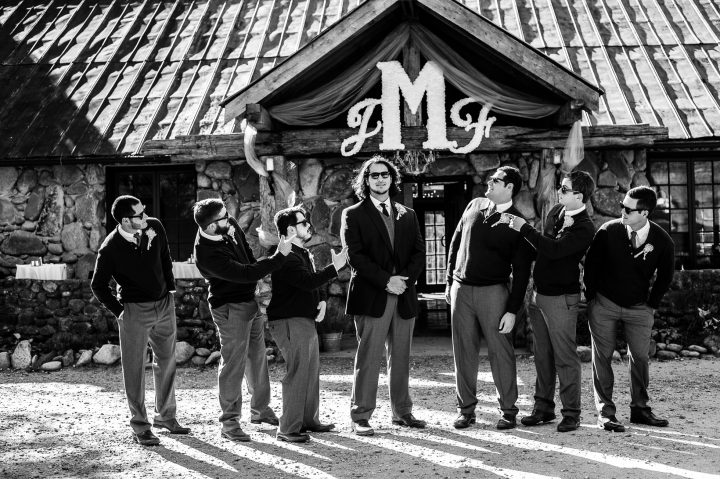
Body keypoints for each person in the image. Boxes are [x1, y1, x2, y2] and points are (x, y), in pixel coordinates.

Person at [497, 170, 596, 432]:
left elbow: (555, 250)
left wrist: (524, 228)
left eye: (564, 189)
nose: (559, 193)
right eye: (560, 189)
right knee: (542, 355)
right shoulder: (555, 213)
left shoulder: (586, 227)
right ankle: (543, 408)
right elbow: (540, 246)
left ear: (579, 195)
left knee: (565, 357)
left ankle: (572, 413)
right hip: (539, 295)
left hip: (562, 298)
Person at [91, 195, 190, 446]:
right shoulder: (110, 247)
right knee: (134, 370)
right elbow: (98, 285)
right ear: (125, 220)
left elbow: (165, 256)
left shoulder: (154, 226)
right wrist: (119, 311)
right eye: (140, 215)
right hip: (133, 310)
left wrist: (170, 290)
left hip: (164, 305)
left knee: (167, 361)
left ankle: (166, 416)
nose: (146, 217)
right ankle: (140, 426)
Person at [193, 198, 293, 442]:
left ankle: (260, 410)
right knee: (233, 363)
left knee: (257, 357)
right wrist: (279, 257)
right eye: (224, 218)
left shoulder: (228, 223)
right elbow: (244, 273)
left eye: (227, 214)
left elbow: (247, 255)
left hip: (250, 301)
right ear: (210, 227)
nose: (230, 220)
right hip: (229, 309)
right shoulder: (205, 254)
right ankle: (229, 423)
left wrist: (258, 287)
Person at [341, 155, 426, 436]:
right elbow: (355, 257)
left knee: (400, 357)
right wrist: (386, 281)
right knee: (368, 357)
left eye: (385, 174)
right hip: (372, 294)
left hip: (403, 295)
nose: (380, 179)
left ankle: (402, 412)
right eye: (374, 175)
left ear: (392, 179)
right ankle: (361, 415)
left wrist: (404, 281)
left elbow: (418, 253)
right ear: (366, 181)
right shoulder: (353, 214)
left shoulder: (408, 214)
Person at [445, 166, 534, 430]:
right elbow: (455, 242)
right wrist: (449, 281)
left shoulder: (519, 224)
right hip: (461, 291)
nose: (489, 182)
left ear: (509, 187)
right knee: (463, 352)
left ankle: (508, 411)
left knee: (501, 352)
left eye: (495, 180)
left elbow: (521, 273)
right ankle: (466, 410)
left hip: (494, 293)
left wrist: (511, 310)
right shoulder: (474, 204)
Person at [584, 185, 674, 432]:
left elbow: (666, 275)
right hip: (604, 304)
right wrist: (591, 298)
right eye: (622, 206)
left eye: (628, 208)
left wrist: (651, 305)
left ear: (644, 213)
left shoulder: (662, 240)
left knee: (641, 358)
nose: (621, 211)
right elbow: (591, 265)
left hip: (639, 308)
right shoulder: (608, 231)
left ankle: (640, 409)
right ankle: (606, 413)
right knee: (601, 358)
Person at [267, 206, 348, 443]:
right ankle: (288, 428)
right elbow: (306, 281)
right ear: (291, 229)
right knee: (298, 372)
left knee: (310, 372)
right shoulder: (285, 256)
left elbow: (312, 284)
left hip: (303, 320)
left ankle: (309, 421)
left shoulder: (301, 252)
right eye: (304, 223)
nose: (309, 227)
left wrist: (321, 300)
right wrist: (336, 268)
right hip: (289, 321)